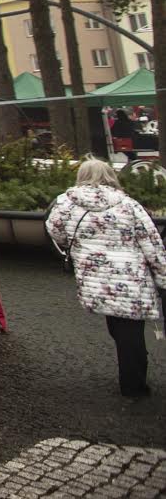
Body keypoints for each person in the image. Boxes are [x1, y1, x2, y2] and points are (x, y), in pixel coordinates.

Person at [48, 157, 166, 398]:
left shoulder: (65, 203)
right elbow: (152, 243)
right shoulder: (128, 205)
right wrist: (163, 276)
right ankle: (134, 386)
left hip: (95, 277)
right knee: (130, 331)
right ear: (110, 176)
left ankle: (132, 379)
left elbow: (55, 230)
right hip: (131, 278)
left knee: (117, 324)